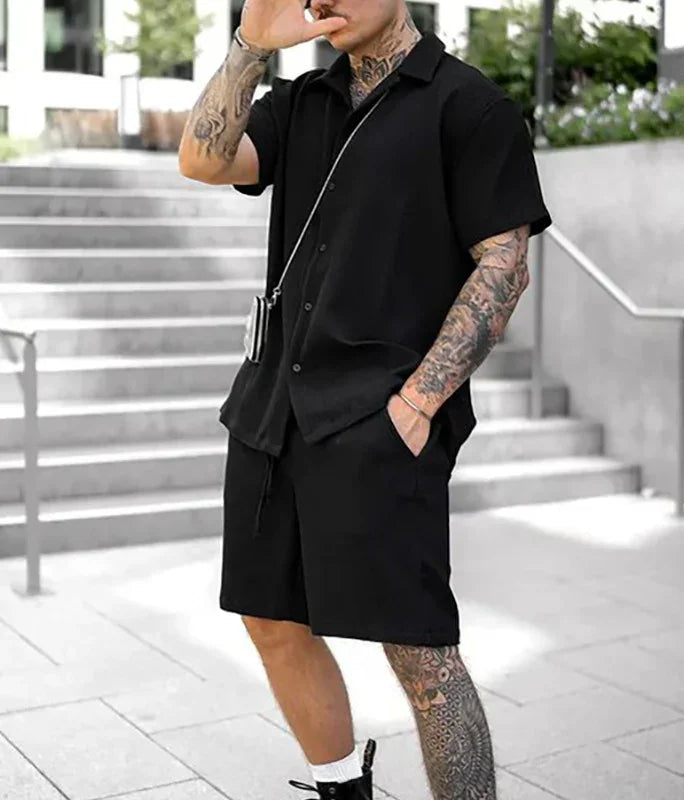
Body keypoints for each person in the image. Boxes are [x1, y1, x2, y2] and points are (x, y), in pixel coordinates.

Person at [178, 1, 551, 798]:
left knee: (422, 658)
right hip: (271, 409)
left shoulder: (469, 106)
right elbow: (204, 161)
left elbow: (503, 266)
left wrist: (418, 404)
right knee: (269, 620)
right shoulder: (302, 102)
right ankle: (344, 789)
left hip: (381, 418)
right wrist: (248, 48)